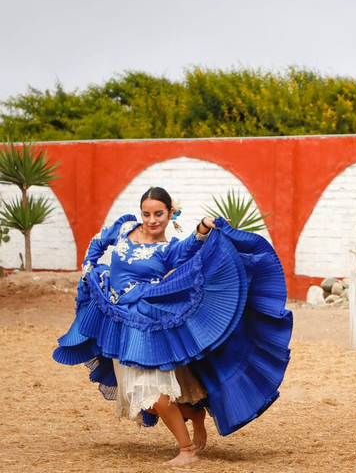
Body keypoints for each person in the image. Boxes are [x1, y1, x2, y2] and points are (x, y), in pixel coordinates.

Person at [53, 187, 293, 466]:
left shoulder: (168, 249)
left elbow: (192, 245)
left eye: (159, 214)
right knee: (134, 392)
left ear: (170, 214)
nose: (151, 220)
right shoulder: (123, 227)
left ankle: (187, 451)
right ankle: (192, 413)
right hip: (116, 318)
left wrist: (203, 227)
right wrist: (89, 270)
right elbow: (97, 242)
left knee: (151, 391)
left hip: (145, 321)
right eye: (146, 213)